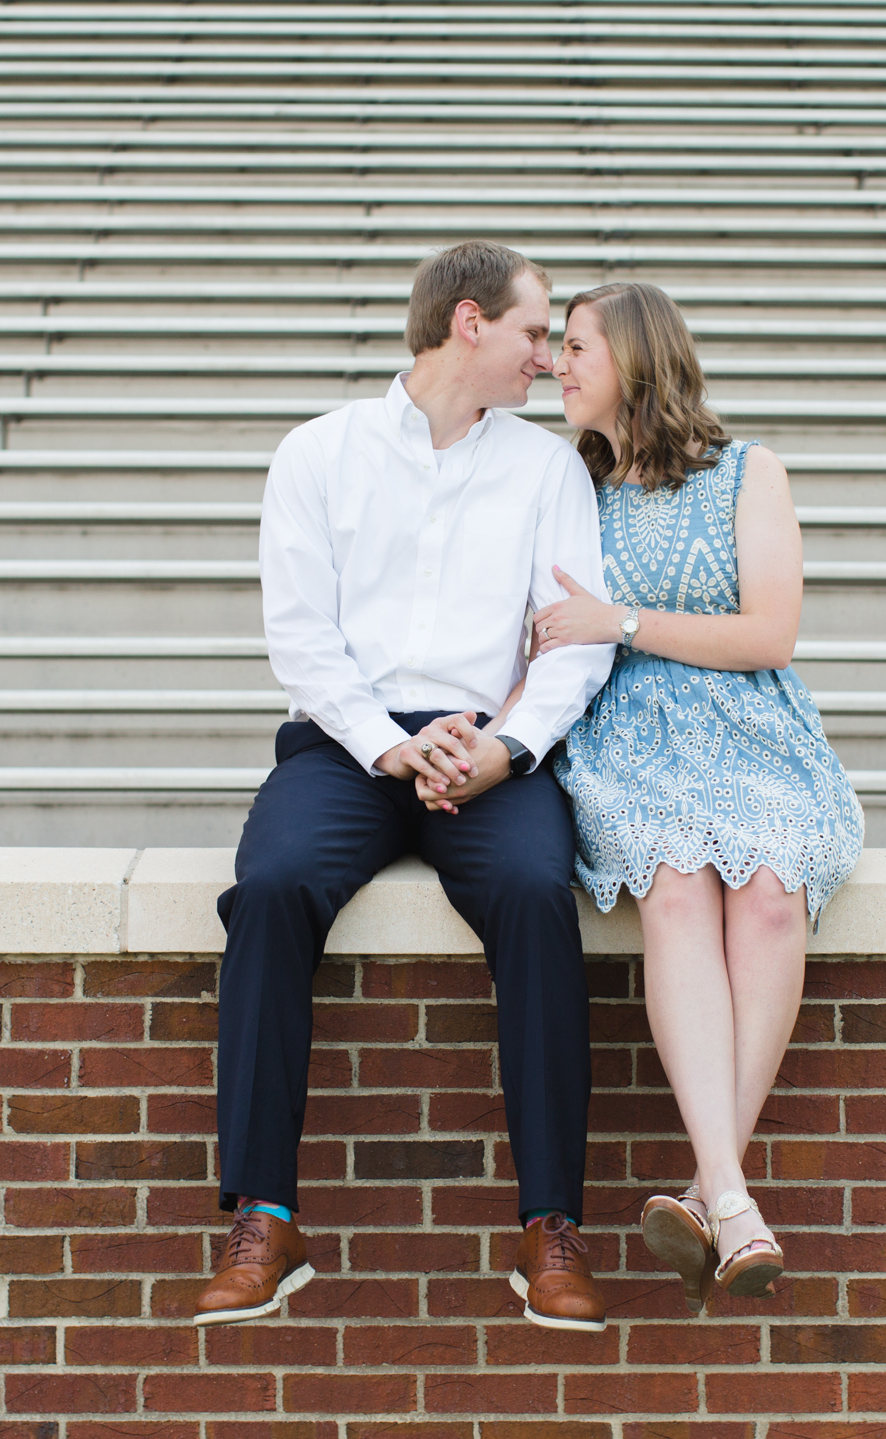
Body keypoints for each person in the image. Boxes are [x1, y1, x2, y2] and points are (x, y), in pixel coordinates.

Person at [196, 241, 618, 1333]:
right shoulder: (318, 454)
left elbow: (573, 644)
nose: (545, 358)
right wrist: (389, 747)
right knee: (276, 882)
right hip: (346, 742)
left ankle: (550, 1225)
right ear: (469, 325)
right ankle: (263, 1213)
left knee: (535, 891)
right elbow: (302, 637)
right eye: (534, 333)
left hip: (490, 746)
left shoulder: (548, 471)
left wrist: (508, 749)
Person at [486, 280, 864, 1311]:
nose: (556, 365)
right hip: (628, 738)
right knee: (679, 884)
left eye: (575, 347)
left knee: (775, 891)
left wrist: (619, 618)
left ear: (638, 357)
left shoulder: (749, 472)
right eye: (556, 347)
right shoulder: (571, 488)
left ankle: (712, 1190)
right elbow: (541, 634)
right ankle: (731, 1197)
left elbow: (766, 635)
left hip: (753, 729)